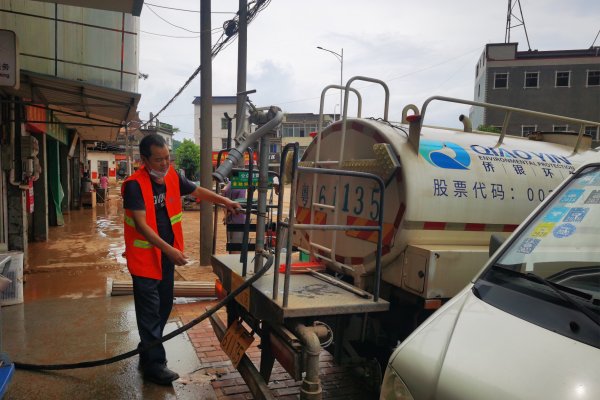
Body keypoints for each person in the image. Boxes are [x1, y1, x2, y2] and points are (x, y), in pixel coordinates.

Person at [121, 133, 241, 385]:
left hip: (165, 258)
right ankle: (155, 365)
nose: (165, 163)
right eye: (158, 160)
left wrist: (224, 201)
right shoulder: (134, 185)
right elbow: (142, 225)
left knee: (164, 307)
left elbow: (197, 190)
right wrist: (169, 250)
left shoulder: (172, 176)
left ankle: (147, 350)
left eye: (167, 157)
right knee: (150, 312)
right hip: (144, 260)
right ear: (144, 160)